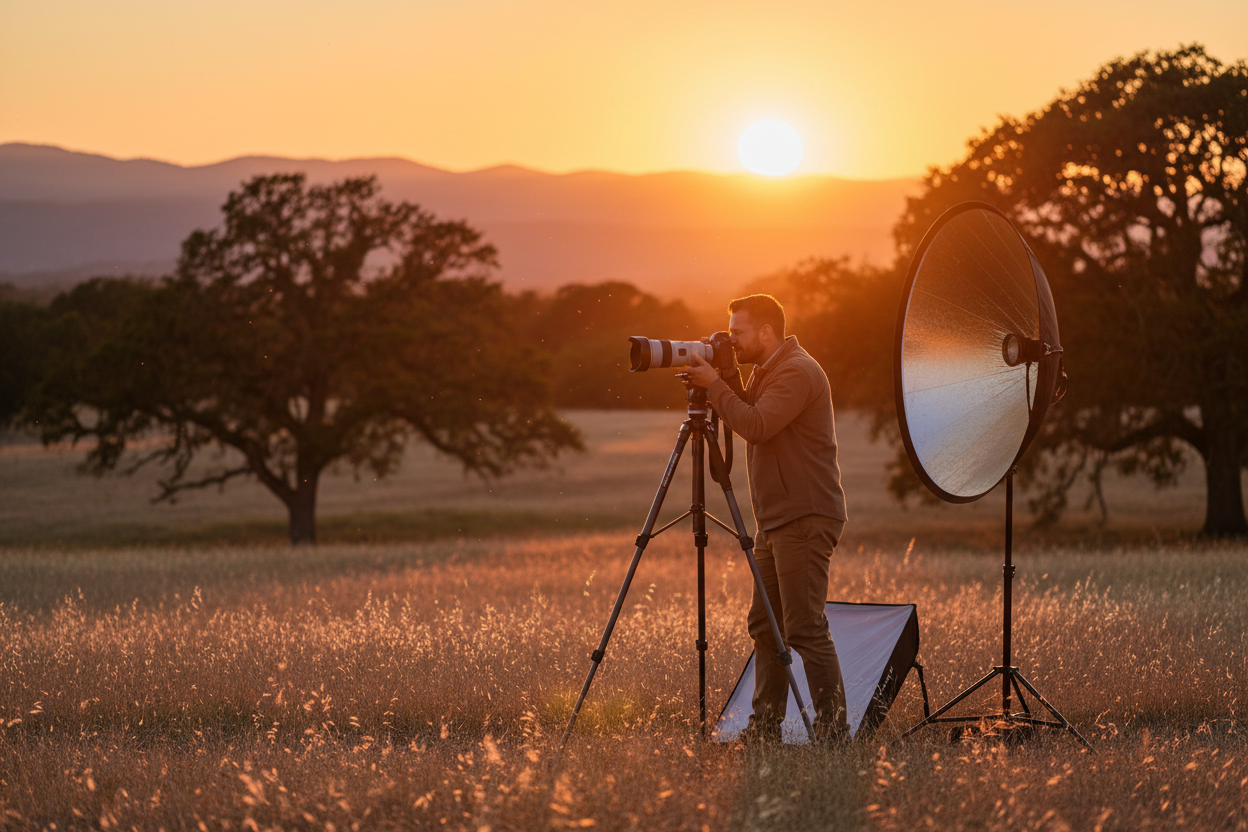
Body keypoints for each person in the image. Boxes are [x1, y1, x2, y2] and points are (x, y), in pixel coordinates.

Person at [682, 293, 849, 744]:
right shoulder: (767, 371)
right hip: (776, 521)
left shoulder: (796, 371)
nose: (732, 340)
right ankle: (764, 729)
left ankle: (834, 737)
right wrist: (723, 380)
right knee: (766, 627)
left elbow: (755, 425)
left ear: (766, 332)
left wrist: (716, 385)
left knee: (804, 628)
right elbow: (746, 413)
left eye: (738, 332)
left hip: (805, 516)